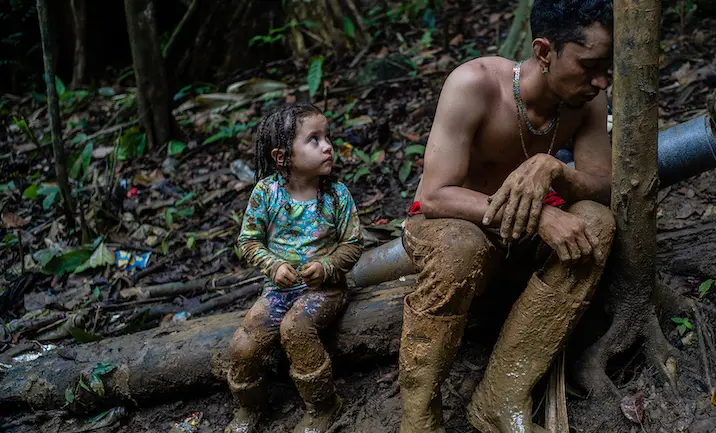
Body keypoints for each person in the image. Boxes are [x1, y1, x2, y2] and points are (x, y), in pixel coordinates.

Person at [398, 1, 616, 432]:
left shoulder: (587, 99)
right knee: (461, 246)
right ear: (544, 51)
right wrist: (536, 217)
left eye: (607, 68)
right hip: (452, 224)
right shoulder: (474, 84)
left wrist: (555, 170)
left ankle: (502, 395)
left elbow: (603, 185)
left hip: (516, 236)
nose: (601, 81)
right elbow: (435, 195)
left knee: (597, 224)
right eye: (589, 65)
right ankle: (418, 417)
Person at [226, 103, 363, 433]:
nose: (328, 146)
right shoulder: (266, 194)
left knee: (296, 329)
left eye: (327, 137)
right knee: (242, 345)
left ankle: (323, 406)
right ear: (282, 157)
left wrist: (328, 265)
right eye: (314, 140)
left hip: (324, 290)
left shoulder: (337, 196)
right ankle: (249, 408)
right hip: (278, 290)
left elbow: (354, 244)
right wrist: (273, 266)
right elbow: (248, 241)